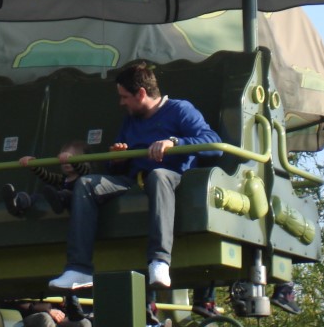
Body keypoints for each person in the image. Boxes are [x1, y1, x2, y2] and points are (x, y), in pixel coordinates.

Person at [49, 61, 221, 290]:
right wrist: (118, 159)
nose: (121, 103)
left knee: (158, 176)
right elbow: (115, 168)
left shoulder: (180, 110)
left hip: (171, 178)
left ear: (141, 93)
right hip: (133, 180)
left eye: (124, 97)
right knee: (86, 183)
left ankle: (159, 261)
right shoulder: (130, 120)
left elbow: (214, 144)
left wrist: (174, 142)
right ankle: (78, 268)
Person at [3, 140, 91, 217]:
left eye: (72, 157)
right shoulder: (62, 179)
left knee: (67, 194)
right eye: (63, 159)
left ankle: (61, 199)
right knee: (38, 196)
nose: (67, 162)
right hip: (59, 202)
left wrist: (72, 161)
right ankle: (18, 202)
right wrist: (33, 165)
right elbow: (47, 176)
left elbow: (82, 169)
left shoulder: (85, 175)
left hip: (76, 202)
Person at [2, 294, 92, 327]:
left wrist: (65, 304)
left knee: (83, 323)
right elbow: (16, 303)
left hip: (58, 318)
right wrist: (48, 310)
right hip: (27, 317)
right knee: (45, 318)